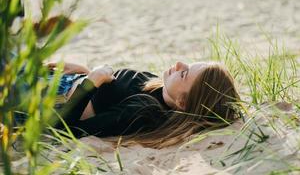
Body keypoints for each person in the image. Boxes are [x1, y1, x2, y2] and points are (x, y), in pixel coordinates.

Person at [42, 60, 242, 149]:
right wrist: (84, 72)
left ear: (182, 102)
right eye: (188, 64)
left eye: (184, 73)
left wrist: (90, 82)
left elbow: (66, 130)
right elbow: (109, 93)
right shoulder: (159, 86)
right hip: (63, 80)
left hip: (50, 100)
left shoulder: (142, 112)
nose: (179, 63)